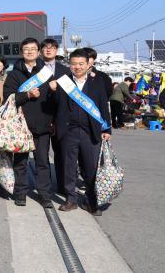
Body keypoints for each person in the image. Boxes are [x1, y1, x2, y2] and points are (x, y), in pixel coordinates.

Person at [54, 49, 112, 216]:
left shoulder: (97, 82)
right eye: (74, 64)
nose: (77, 67)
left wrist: (107, 128)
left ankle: (92, 201)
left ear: (88, 64)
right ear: (69, 65)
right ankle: (71, 199)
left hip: (90, 131)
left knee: (91, 167)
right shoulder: (62, 82)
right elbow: (54, 106)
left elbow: (103, 106)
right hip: (68, 130)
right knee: (68, 166)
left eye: (81, 64)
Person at [3, 38, 54, 208]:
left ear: (38, 51)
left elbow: (53, 99)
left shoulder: (46, 72)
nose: (30, 51)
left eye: (33, 49)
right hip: (21, 127)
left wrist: (54, 91)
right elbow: (8, 98)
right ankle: (21, 193)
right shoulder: (14, 74)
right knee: (20, 162)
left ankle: (45, 194)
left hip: (43, 124)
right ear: (21, 52)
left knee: (42, 162)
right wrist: (27, 95)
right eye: (26, 49)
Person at [41, 38, 70, 197]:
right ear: (41, 51)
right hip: (42, 115)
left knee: (62, 153)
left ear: (56, 50)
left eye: (51, 48)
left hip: (61, 117)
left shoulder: (65, 70)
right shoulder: (36, 69)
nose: (48, 50)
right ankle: (44, 187)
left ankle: (63, 185)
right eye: (45, 48)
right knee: (42, 154)